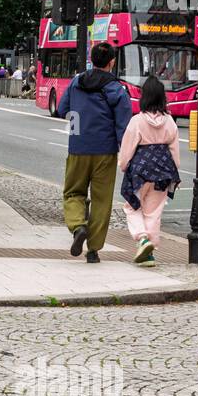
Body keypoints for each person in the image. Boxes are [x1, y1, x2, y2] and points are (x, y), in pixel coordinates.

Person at [59, 40, 132, 263]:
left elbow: (63, 109)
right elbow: (124, 124)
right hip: (105, 151)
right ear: (112, 62)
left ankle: (77, 226)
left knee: (73, 192)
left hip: (78, 147)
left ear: (92, 60)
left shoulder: (76, 82)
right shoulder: (116, 89)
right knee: (102, 200)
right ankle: (93, 250)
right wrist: (125, 153)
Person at [118, 76, 180, 265]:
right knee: (153, 212)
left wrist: (123, 165)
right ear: (163, 98)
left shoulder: (137, 121)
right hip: (163, 172)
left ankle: (142, 239)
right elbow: (174, 151)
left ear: (144, 97)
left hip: (140, 172)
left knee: (131, 206)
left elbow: (127, 149)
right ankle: (149, 252)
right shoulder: (170, 121)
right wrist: (174, 171)